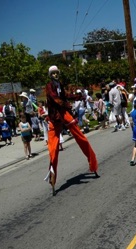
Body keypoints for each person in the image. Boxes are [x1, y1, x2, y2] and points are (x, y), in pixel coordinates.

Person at [45, 65, 98, 195]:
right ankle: (52, 177)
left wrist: (77, 97)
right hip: (55, 116)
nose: (55, 75)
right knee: (53, 149)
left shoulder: (59, 84)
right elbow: (55, 99)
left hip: (63, 113)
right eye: (53, 73)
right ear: (50, 75)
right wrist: (67, 104)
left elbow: (64, 95)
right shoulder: (49, 86)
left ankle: (93, 164)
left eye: (57, 73)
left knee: (80, 136)